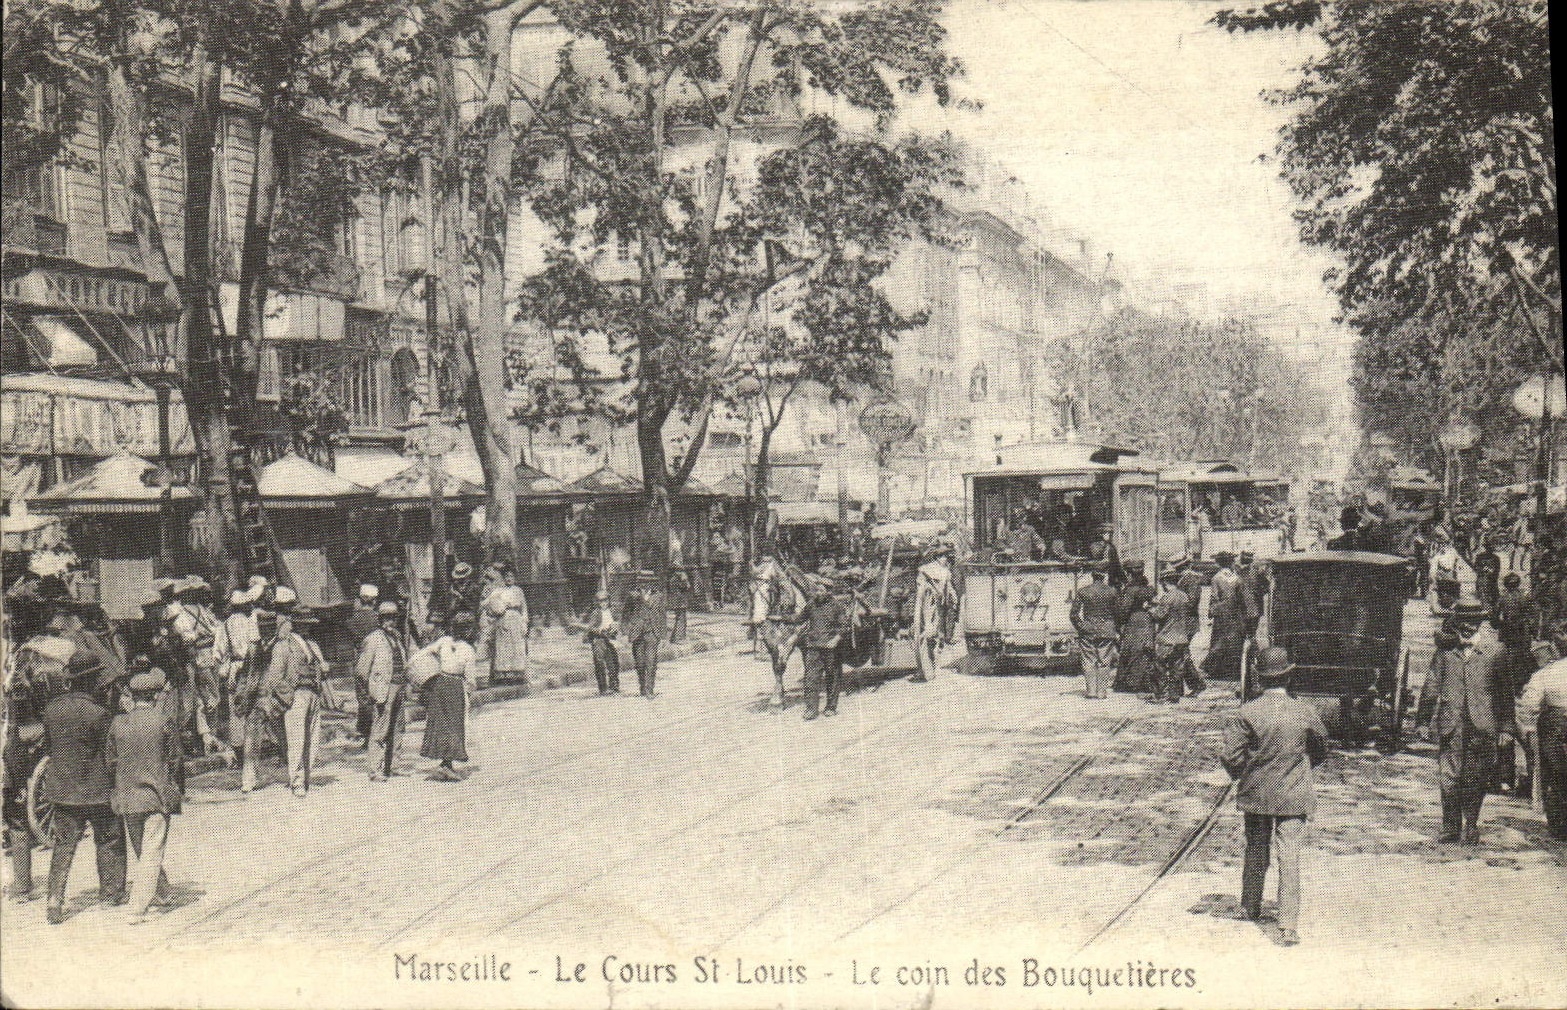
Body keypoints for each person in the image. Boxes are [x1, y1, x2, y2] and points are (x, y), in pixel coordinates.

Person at [1220, 646, 1328, 947]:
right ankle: (1288, 925)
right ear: (1289, 676)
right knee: (1289, 856)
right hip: (1294, 794)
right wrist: (1299, 768)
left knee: (1256, 848)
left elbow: (1230, 755)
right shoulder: (1304, 710)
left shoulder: (1246, 712)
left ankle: (1250, 906)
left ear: (1259, 677)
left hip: (1257, 793)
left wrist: (1247, 773)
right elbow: (1320, 748)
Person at [42, 651, 127, 924]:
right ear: (92, 680)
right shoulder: (99, 713)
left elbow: (48, 747)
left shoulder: (51, 710)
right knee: (109, 838)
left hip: (63, 790)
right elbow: (109, 754)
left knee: (63, 845)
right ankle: (110, 894)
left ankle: (54, 900)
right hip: (97, 789)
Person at [1418, 598, 1507, 844]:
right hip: (1451, 723)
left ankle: (1471, 824)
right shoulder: (1445, 652)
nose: (1468, 627)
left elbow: (1504, 693)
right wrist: (1423, 721)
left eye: (1474, 622)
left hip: (1483, 724)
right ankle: (1450, 825)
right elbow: (1431, 686)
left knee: (1476, 776)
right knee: (1449, 775)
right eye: (1463, 622)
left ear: (1481, 623)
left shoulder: (1496, 651)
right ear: (1456, 623)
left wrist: (1507, 727)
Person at [107, 667, 183, 925]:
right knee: (151, 850)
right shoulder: (163, 721)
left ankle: (163, 893)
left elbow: (111, 761)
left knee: (144, 849)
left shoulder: (118, 723)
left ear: (132, 694)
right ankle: (137, 908)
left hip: (127, 798)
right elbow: (174, 759)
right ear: (154, 695)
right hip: (155, 795)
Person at [1517, 621, 1567, 839]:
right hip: (1556, 725)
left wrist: (1528, 728)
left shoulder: (1547, 673)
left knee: (1555, 775)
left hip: (1555, 726)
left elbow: (1530, 704)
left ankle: (1559, 824)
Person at [415, 614, 477, 781]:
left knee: (441, 723)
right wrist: (469, 694)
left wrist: (424, 672)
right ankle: (446, 765)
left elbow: (424, 653)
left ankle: (445, 763)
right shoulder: (468, 650)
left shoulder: (443, 642)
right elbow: (471, 679)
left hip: (440, 684)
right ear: (468, 630)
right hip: (455, 687)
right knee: (453, 724)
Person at [358, 602, 409, 782]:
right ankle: (375, 769)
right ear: (380, 619)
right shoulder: (373, 639)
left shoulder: (396, 636)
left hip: (398, 687)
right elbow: (362, 670)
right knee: (380, 729)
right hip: (382, 689)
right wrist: (370, 692)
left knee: (398, 728)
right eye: (386, 617)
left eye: (393, 617)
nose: (390, 621)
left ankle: (394, 765)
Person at [214, 588, 259, 752]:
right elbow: (256, 646)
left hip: (234, 668)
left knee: (235, 708)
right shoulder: (251, 623)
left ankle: (238, 746)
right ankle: (251, 744)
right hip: (250, 666)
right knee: (252, 704)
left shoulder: (224, 626)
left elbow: (218, 653)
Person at [799, 580, 849, 720]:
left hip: (830, 648)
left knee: (832, 677)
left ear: (828, 592)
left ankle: (831, 707)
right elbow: (799, 619)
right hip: (813, 646)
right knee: (810, 678)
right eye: (816, 590)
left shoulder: (837, 606)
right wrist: (780, 618)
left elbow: (844, 625)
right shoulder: (811, 605)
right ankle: (811, 710)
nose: (818, 593)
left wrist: (835, 639)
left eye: (821, 590)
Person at [1070, 564, 1119, 700]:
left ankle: (1091, 692)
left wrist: (1081, 626)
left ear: (1092, 576)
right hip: (1107, 630)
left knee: (1088, 660)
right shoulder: (1112, 591)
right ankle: (1102, 692)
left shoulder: (1083, 591)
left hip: (1088, 629)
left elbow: (1073, 614)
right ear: (1104, 576)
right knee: (1104, 661)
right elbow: (1117, 612)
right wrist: (1114, 626)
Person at [912, 546, 958, 684]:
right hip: (930, 607)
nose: (944, 559)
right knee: (932, 635)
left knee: (940, 631)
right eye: (942, 556)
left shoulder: (945, 571)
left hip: (941, 604)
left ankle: (933, 661)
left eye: (945, 556)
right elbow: (921, 585)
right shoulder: (926, 569)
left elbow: (948, 587)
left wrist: (953, 596)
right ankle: (927, 667)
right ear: (937, 558)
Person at [345, 585, 381, 745]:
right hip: (378, 659)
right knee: (378, 696)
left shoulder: (351, 621)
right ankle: (379, 733)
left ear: (360, 599)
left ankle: (367, 735)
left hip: (360, 659)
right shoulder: (379, 619)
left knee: (364, 698)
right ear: (374, 600)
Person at [1150, 570, 1192, 704]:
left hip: (1167, 638)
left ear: (1165, 583)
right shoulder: (1184, 596)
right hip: (1181, 637)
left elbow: (1159, 616)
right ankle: (1174, 695)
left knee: (1160, 667)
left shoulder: (1167, 597)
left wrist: (1149, 609)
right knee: (1177, 668)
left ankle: (1161, 695)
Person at [1204, 552, 1246, 685]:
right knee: (1234, 640)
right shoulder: (1237, 578)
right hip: (1235, 613)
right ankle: (1234, 671)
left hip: (1222, 615)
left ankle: (1217, 671)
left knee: (1219, 641)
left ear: (1219, 563)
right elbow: (1241, 598)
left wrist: (1212, 613)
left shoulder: (1216, 578)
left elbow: (1214, 598)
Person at [1114, 562, 1156, 694]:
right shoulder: (1149, 588)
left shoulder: (1130, 590)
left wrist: (1118, 622)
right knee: (1145, 650)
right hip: (1148, 621)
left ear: (1129, 573)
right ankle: (1146, 682)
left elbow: (1123, 609)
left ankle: (1130, 683)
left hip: (1134, 622)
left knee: (1131, 651)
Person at [622, 577, 667, 700]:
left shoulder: (658, 596)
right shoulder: (633, 595)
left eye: (648, 581)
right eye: (643, 581)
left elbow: (662, 615)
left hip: (653, 632)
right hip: (637, 633)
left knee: (651, 661)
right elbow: (625, 614)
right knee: (640, 662)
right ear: (639, 582)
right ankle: (642, 686)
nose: (646, 584)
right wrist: (625, 633)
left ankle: (650, 689)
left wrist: (663, 637)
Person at [574, 589, 621, 695]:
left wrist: (615, 628)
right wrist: (599, 630)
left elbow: (617, 622)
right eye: (601, 601)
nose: (603, 603)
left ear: (608, 601)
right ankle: (603, 688)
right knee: (600, 663)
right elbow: (591, 627)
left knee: (613, 662)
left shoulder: (612, 611)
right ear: (597, 603)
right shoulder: (596, 613)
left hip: (610, 639)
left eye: (605, 601)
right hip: (599, 640)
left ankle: (614, 686)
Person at [1174, 557, 1208, 696]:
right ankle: (1188, 685)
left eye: (1181, 568)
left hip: (1188, 622)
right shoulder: (1184, 579)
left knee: (1182, 653)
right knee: (1181, 652)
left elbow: (1191, 602)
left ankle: (1196, 683)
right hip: (1183, 622)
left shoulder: (1191, 580)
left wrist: (1175, 606)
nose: (1180, 570)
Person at [486, 585, 530, 690]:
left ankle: (517, 674)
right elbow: (490, 605)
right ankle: (503, 675)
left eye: (511, 576)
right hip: (503, 620)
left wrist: (524, 623)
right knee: (503, 648)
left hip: (516, 620)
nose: (509, 579)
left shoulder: (518, 590)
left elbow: (524, 608)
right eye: (506, 576)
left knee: (516, 647)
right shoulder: (498, 590)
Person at [1238, 551, 1267, 641]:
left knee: (1251, 634)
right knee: (1245, 634)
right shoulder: (1237, 571)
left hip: (1252, 608)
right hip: (1243, 608)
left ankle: (1252, 651)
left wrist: (1258, 594)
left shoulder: (1256, 572)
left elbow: (1266, 585)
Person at [1430, 537, 1463, 614]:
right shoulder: (1437, 555)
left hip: (1450, 573)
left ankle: (1452, 604)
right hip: (1441, 574)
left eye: (1445, 544)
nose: (1443, 546)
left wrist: (1457, 566)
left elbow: (1458, 559)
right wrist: (1433, 578)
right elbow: (1433, 568)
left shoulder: (1452, 551)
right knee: (1439, 589)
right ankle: (1438, 606)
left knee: (1455, 587)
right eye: (1441, 544)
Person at [1473, 540, 1502, 616]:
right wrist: (1482, 570)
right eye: (1488, 547)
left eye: (1491, 548)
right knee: (1483, 594)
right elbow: (1476, 568)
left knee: (1493, 596)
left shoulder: (1496, 558)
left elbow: (1497, 570)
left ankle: (1493, 611)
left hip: (1491, 579)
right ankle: (1486, 610)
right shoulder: (1480, 556)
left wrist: (1491, 573)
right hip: (1482, 579)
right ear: (1486, 548)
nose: (1490, 549)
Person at [668, 567, 691, 644]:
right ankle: (678, 638)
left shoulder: (673, 579)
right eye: (680, 570)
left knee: (680, 619)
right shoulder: (677, 579)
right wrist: (685, 579)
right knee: (681, 619)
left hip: (678, 602)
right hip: (680, 602)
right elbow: (687, 586)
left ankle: (675, 637)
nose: (681, 572)